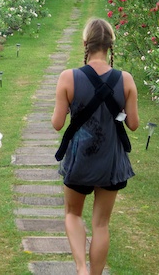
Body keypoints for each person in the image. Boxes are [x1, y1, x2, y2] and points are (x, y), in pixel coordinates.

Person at [51, 17, 139, 275]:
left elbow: (57, 123)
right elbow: (133, 124)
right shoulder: (125, 79)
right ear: (110, 45)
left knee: (72, 214)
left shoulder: (68, 77)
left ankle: (81, 269)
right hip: (111, 162)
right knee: (101, 224)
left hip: (80, 159)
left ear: (85, 43)